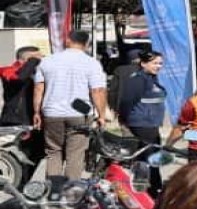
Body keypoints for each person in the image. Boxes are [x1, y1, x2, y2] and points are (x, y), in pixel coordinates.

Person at [32, 30, 108, 180]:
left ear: (67, 41)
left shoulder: (47, 61)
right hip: (79, 114)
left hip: (52, 113)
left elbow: (39, 88)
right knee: (76, 154)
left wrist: (36, 112)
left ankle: (53, 189)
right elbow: (97, 91)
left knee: (53, 151)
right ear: (86, 45)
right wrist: (102, 115)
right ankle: (70, 192)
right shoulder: (91, 63)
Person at [116, 50, 167, 194]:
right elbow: (126, 102)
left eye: (160, 63)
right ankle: (151, 190)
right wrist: (125, 119)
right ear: (143, 63)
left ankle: (151, 189)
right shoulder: (137, 80)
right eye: (155, 63)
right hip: (143, 124)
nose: (158, 66)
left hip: (151, 124)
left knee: (150, 158)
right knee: (150, 158)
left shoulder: (152, 79)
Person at [1, 46, 42, 126]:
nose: (39, 61)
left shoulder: (38, 72)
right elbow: (20, 78)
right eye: (35, 59)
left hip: (35, 118)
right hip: (15, 119)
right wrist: (33, 61)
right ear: (21, 60)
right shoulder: (8, 70)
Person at [107, 48, 141, 115]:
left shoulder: (119, 70)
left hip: (122, 108)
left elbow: (112, 91)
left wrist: (113, 107)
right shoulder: (146, 71)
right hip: (142, 109)